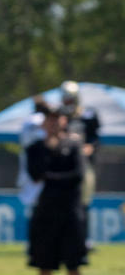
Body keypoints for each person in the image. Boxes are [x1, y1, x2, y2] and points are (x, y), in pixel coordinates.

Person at [26, 106, 87, 275]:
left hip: (71, 212)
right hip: (45, 213)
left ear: (64, 121)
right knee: (44, 265)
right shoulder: (36, 147)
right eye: (49, 120)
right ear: (43, 123)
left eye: (57, 119)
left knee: (74, 265)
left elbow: (77, 176)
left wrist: (50, 178)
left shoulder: (74, 143)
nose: (53, 123)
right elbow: (35, 174)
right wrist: (49, 150)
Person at [58, 81, 100, 245]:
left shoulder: (88, 115)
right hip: (64, 164)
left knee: (83, 201)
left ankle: (83, 238)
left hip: (83, 165)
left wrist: (90, 147)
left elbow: (95, 138)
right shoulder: (60, 116)